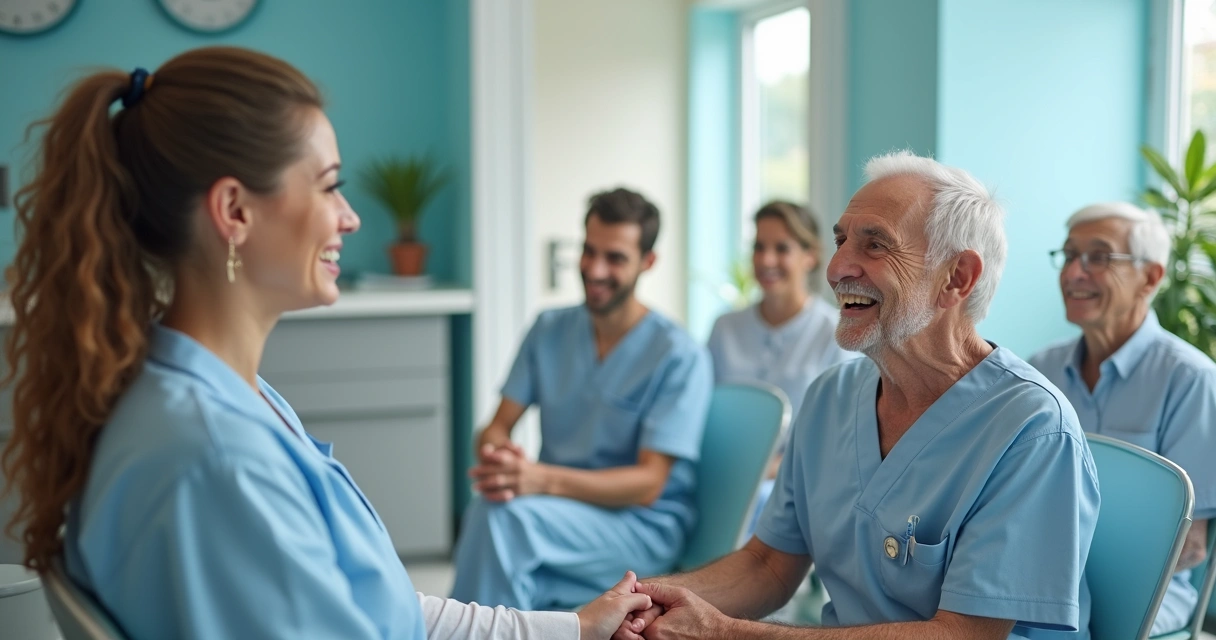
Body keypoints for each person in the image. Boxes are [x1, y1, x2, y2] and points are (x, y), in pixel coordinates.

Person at [0, 47, 651, 640]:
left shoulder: (221, 398)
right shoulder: (218, 459)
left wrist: (574, 630)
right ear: (234, 212)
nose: (351, 216)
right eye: (329, 184)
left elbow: (382, 610)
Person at [613, 151, 1101, 640]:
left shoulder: (1032, 429)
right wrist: (644, 601)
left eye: (875, 246)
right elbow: (767, 564)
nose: (837, 267)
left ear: (957, 277)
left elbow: (963, 635)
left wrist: (723, 633)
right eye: (841, 240)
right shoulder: (831, 397)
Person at [450, 188, 713, 611]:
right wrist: (497, 454)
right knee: (495, 523)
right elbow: (497, 424)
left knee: (504, 522)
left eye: (615, 258)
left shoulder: (677, 355)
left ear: (648, 262)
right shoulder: (549, 330)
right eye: (589, 252)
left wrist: (539, 480)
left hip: (640, 526)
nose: (595, 269)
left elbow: (649, 484)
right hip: (558, 515)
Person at [1029, 201, 1216, 636]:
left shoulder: (1192, 380)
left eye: (1098, 257)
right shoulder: (1040, 369)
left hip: (1147, 596)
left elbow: (1189, 549)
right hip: (1045, 581)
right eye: (1069, 255)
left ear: (1150, 277)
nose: (1074, 273)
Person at [707, 200, 857, 532]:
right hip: (719, 475)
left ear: (811, 255)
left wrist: (761, 470)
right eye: (759, 247)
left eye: (781, 248)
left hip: (790, 480)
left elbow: (834, 439)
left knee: (757, 505)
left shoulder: (834, 332)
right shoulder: (725, 328)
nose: (766, 260)